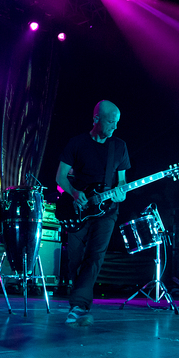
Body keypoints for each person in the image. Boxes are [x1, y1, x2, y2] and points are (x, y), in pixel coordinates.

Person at [55, 100, 130, 326]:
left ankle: (78, 305)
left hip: (107, 211)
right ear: (96, 119)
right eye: (110, 122)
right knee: (75, 258)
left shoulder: (119, 146)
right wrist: (75, 193)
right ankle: (80, 302)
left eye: (117, 123)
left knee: (95, 256)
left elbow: (123, 184)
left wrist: (120, 194)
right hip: (77, 209)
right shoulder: (77, 143)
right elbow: (60, 177)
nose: (114, 127)